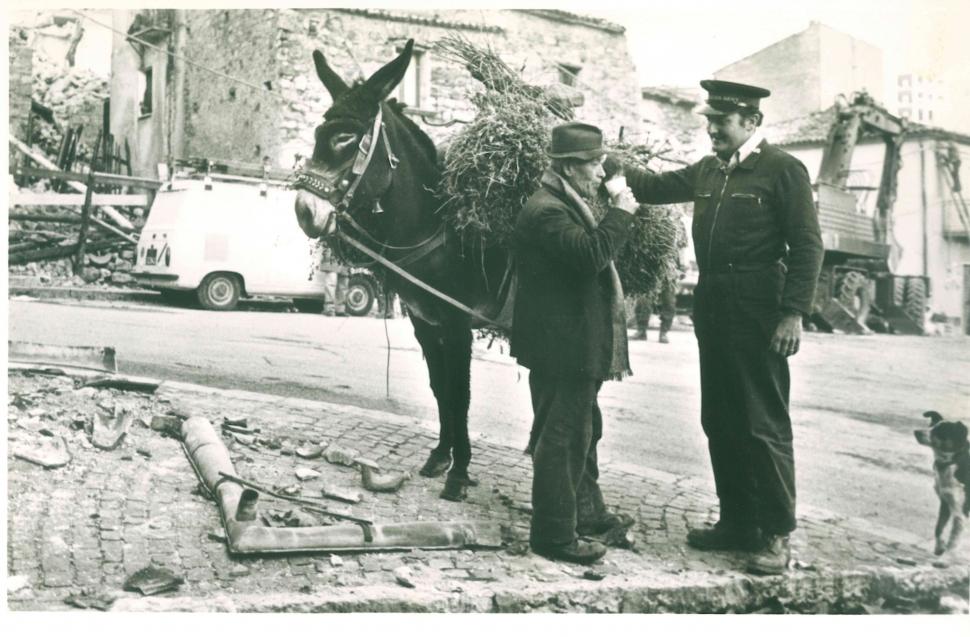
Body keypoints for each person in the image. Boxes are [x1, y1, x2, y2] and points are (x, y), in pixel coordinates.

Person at [616, 80, 824, 575]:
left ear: (751, 122)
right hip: (714, 305)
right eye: (709, 121)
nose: (711, 129)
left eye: (721, 122)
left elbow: (808, 245)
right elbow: (652, 187)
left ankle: (776, 534)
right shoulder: (710, 170)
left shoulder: (783, 170)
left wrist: (792, 313)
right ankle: (737, 521)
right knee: (722, 419)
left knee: (762, 423)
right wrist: (603, 158)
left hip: (760, 309)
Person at [511, 122, 640, 565]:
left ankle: (579, 517)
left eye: (602, 161)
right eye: (593, 163)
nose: (601, 172)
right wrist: (621, 212)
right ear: (568, 166)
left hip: (565, 344)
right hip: (562, 347)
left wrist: (617, 183)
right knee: (562, 440)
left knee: (575, 434)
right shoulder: (548, 210)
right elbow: (590, 256)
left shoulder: (563, 200)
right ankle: (554, 538)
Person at [633, 209, 688, 343]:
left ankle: (664, 332)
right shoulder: (651, 219)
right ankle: (641, 330)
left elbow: (682, 246)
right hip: (650, 266)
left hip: (669, 268)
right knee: (644, 300)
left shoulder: (678, 223)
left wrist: (683, 266)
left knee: (669, 301)